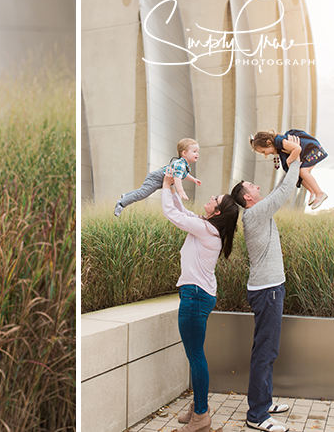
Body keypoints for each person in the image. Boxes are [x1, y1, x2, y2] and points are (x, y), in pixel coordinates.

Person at [159, 168, 241, 432]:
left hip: (194, 297)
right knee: (196, 355)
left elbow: (171, 214)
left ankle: (202, 416)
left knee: (195, 356)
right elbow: (182, 213)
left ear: (216, 212)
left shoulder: (206, 230)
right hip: (199, 295)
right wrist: (172, 188)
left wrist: (164, 185)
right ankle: (197, 407)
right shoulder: (207, 228)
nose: (209, 198)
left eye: (213, 199)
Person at [230, 134, 302, 432]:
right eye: (252, 186)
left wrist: (287, 160)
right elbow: (284, 189)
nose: (257, 186)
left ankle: (264, 400)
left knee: (266, 348)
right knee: (266, 351)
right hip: (267, 291)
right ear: (248, 197)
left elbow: (277, 187)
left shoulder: (256, 212)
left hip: (270, 288)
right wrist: (296, 157)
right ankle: (257, 415)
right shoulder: (256, 213)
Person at [115, 138, 201, 217]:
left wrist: (193, 179)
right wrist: (181, 191)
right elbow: (177, 179)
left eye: (197, 152)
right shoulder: (180, 164)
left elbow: (184, 175)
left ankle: (126, 196)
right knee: (142, 194)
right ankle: (121, 203)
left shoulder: (183, 165)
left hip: (159, 180)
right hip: (155, 179)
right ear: (184, 153)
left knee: (141, 191)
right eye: (194, 151)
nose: (197, 154)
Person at [250, 129, 329, 209]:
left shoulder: (279, 141)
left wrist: (289, 161)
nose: (265, 154)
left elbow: (297, 148)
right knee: (298, 174)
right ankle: (312, 191)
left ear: (269, 142)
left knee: (302, 171)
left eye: (264, 151)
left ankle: (319, 193)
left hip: (313, 150)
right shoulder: (279, 146)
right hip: (307, 152)